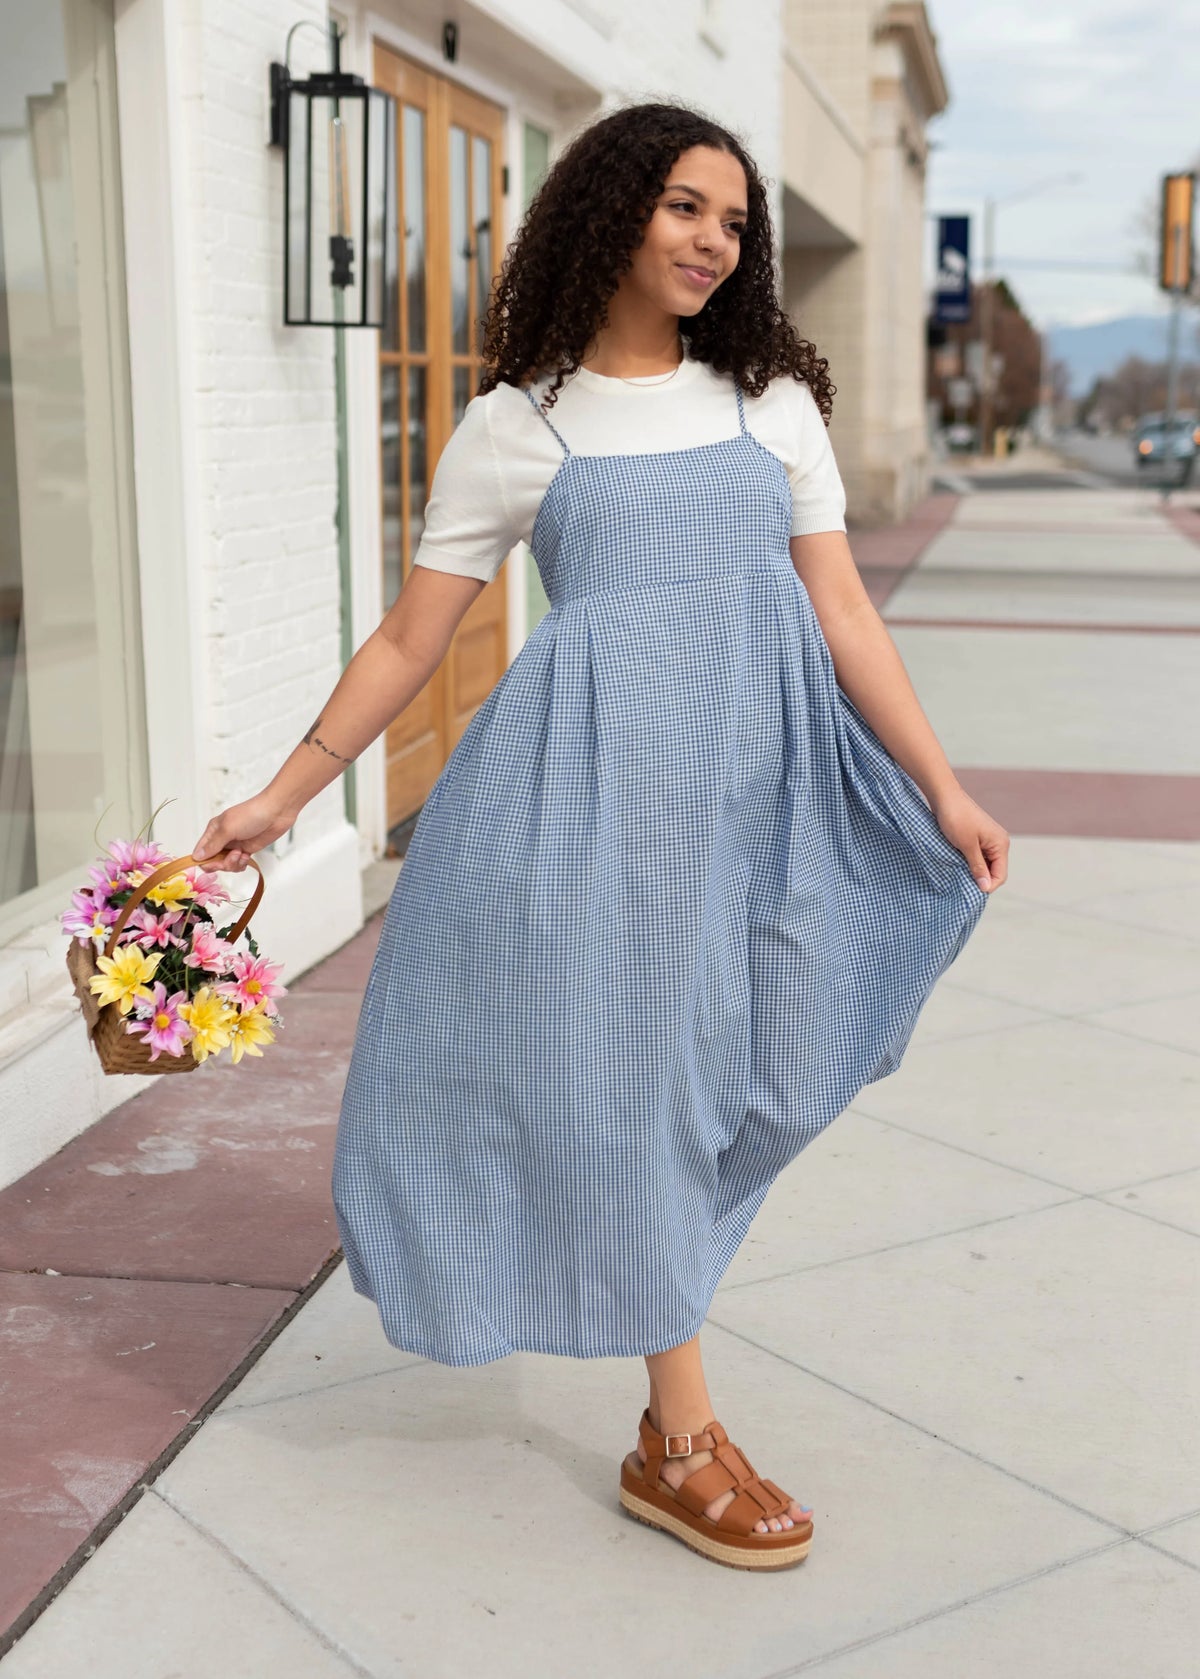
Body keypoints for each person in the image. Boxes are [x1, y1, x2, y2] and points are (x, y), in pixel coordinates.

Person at [193, 100, 1009, 1572]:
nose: (714, 241)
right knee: (649, 1095)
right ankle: (677, 1437)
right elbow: (407, 640)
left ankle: (664, 1402)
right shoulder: (525, 423)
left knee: (744, 1074)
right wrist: (285, 794)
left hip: (765, 807)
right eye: (687, 207)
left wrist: (942, 787)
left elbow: (842, 619)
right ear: (614, 210)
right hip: (591, 813)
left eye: (736, 222)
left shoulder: (772, 406)